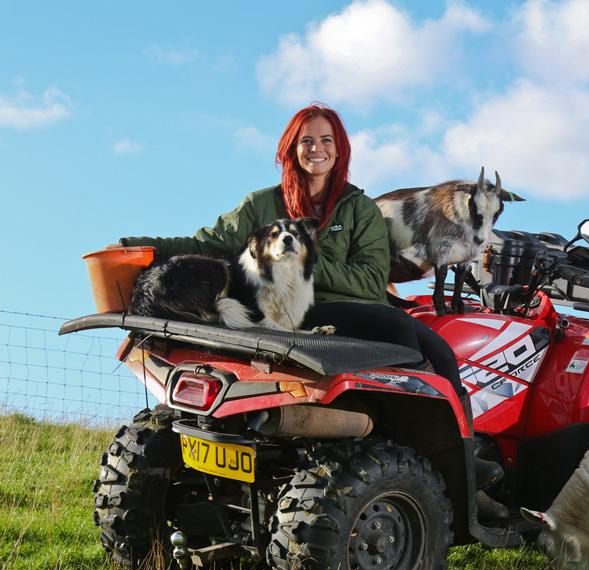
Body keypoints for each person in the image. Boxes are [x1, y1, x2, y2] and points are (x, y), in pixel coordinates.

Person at [119, 103, 505, 512]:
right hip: (282, 313)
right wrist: (140, 247)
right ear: (291, 148)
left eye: (326, 141)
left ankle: (461, 463)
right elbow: (207, 243)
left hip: (344, 309)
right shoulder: (262, 204)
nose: (316, 149)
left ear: (339, 151)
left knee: (437, 349)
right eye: (307, 141)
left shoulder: (359, 210)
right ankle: (402, 460)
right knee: (401, 330)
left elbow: (372, 281)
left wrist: (304, 264)